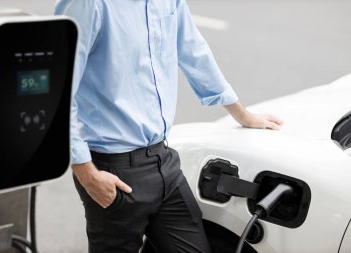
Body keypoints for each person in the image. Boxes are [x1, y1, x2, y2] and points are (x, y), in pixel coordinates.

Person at [55, 0, 283, 252]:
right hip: (114, 169)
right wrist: (88, 175)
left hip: (164, 162)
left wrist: (242, 115)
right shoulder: (88, 4)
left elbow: (194, 52)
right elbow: (58, 90)